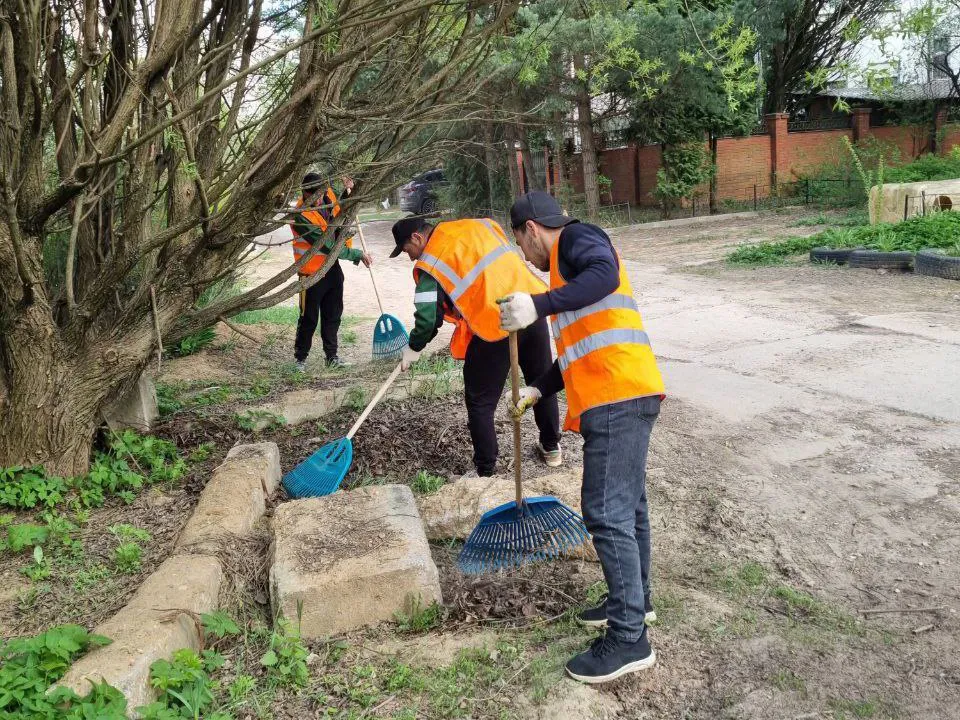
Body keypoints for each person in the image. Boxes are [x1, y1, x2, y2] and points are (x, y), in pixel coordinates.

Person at [499, 191, 665, 685]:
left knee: (606, 511)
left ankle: (629, 638)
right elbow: (580, 346)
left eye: (522, 247)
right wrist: (537, 388)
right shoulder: (565, 265)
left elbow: (604, 275)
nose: (527, 259)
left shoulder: (578, 238)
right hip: (619, 392)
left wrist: (538, 305)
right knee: (628, 507)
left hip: (618, 396)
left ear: (532, 230)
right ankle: (635, 601)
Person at [389, 215, 562, 476]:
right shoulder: (480, 224)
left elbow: (427, 319)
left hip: (494, 325)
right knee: (540, 381)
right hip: (530, 307)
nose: (411, 257)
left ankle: (485, 468)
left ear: (417, 237)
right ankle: (551, 447)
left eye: (407, 250)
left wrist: (413, 348)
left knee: (480, 401)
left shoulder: (431, 261)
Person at [291, 173, 372, 370]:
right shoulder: (300, 216)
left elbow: (340, 213)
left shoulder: (328, 195)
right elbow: (327, 245)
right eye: (314, 196)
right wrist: (357, 254)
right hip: (310, 274)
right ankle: (300, 359)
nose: (319, 199)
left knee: (333, 314)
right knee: (308, 318)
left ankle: (331, 357)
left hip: (332, 269)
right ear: (305, 193)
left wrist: (348, 192)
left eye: (321, 193)